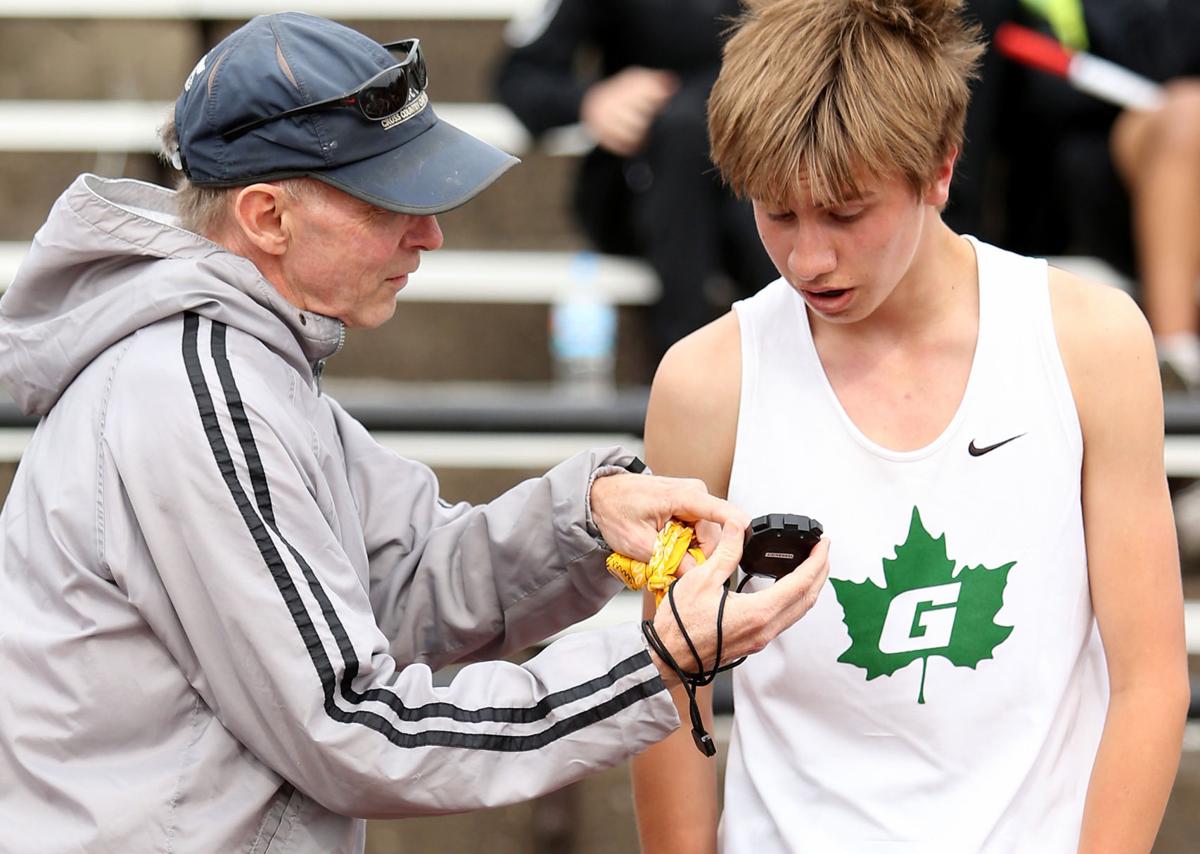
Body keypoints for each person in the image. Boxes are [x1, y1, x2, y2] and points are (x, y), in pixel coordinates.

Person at [0, 14, 832, 853]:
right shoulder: (194, 389)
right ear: (265, 216)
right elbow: (352, 727)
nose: (429, 231)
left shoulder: (237, 365)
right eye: (390, 197)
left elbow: (399, 587)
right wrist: (657, 664)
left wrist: (589, 514)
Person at [631, 1, 1189, 852]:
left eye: (846, 213)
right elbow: (672, 685)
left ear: (940, 170)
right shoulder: (706, 380)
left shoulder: (1089, 342)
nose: (809, 257)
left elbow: (1149, 677)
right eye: (777, 213)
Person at [495, 0, 779, 362]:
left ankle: (691, 372)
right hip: (641, 192)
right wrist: (591, 101)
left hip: (756, 188)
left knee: (728, 159)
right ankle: (701, 374)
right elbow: (518, 76)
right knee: (684, 134)